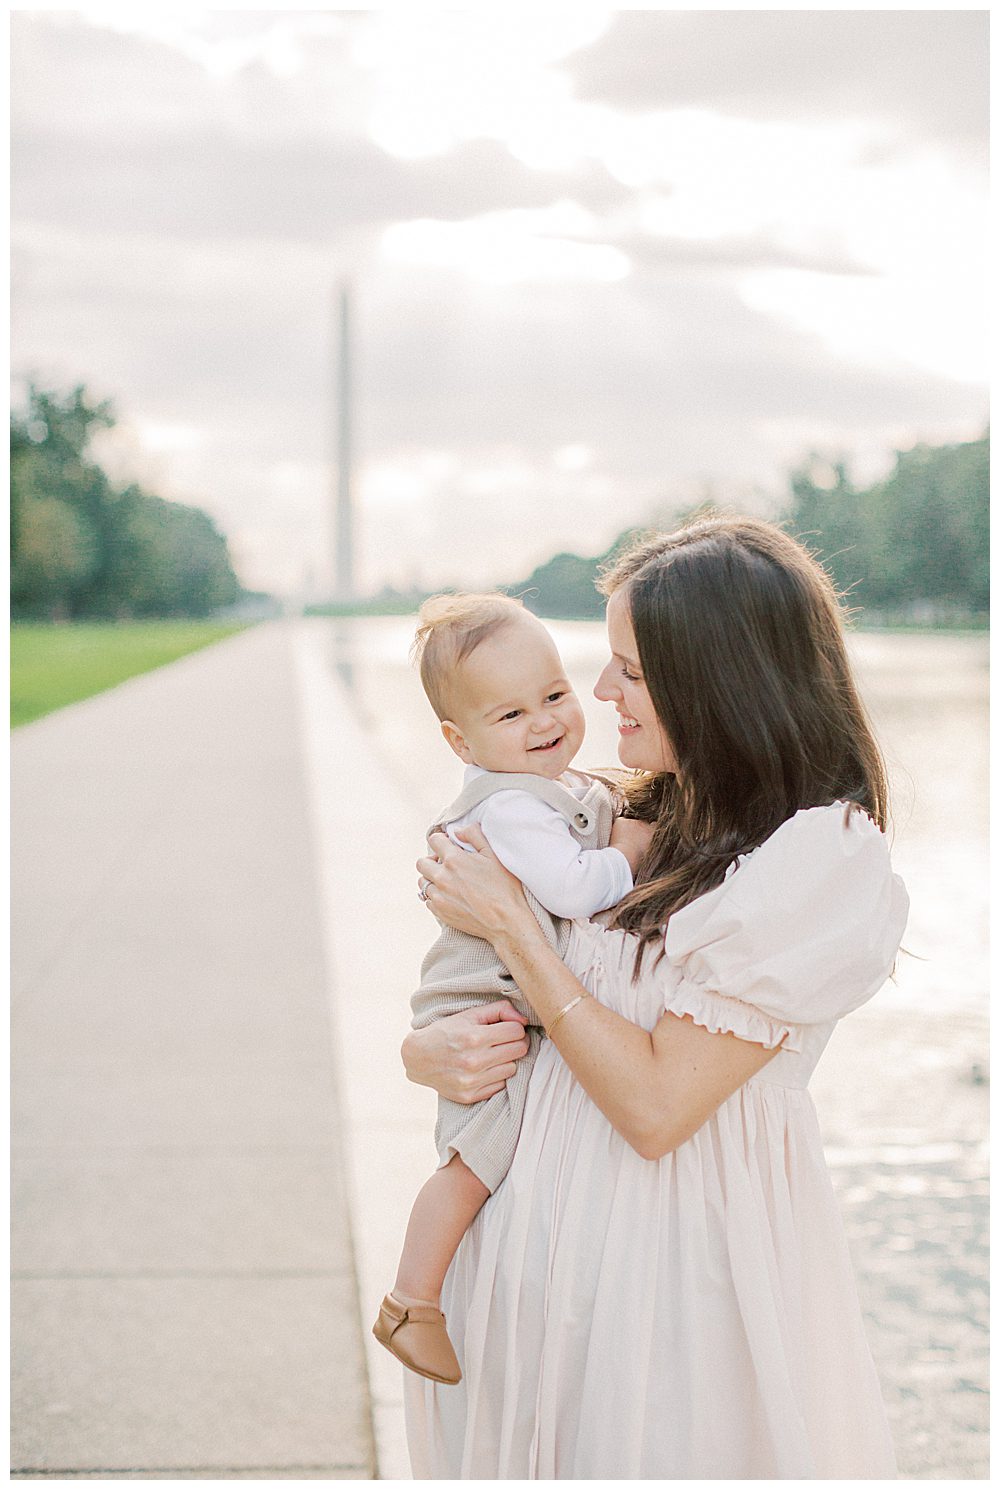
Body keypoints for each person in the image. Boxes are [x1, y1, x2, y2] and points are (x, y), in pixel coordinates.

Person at [403, 516, 910, 1479]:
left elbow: (655, 1107)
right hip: (527, 1275)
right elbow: (482, 986)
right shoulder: (629, 811)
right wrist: (429, 1049)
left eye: (628, 669)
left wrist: (515, 926)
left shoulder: (816, 859)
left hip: (673, 1290)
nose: (598, 693)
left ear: (714, 678)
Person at [373, 593, 651, 1386]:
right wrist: (631, 852)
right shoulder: (515, 808)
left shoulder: (546, 790)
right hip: (479, 1005)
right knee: (473, 1160)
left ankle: (417, 1299)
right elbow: (571, 888)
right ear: (462, 742)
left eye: (555, 695)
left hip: (494, 994)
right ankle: (410, 1301)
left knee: (479, 1156)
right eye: (511, 714)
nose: (544, 723)